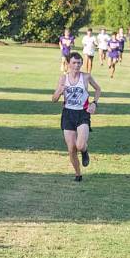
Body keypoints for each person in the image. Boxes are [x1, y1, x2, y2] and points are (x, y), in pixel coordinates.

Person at [51, 52, 101, 182]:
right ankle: (78, 174)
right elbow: (54, 99)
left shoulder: (86, 77)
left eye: (79, 63)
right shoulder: (63, 79)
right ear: (68, 64)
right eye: (74, 63)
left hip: (82, 113)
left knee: (79, 145)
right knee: (71, 148)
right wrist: (59, 92)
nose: (77, 65)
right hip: (68, 114)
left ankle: (84, 151)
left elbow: (97, 89)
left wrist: (94, 103)